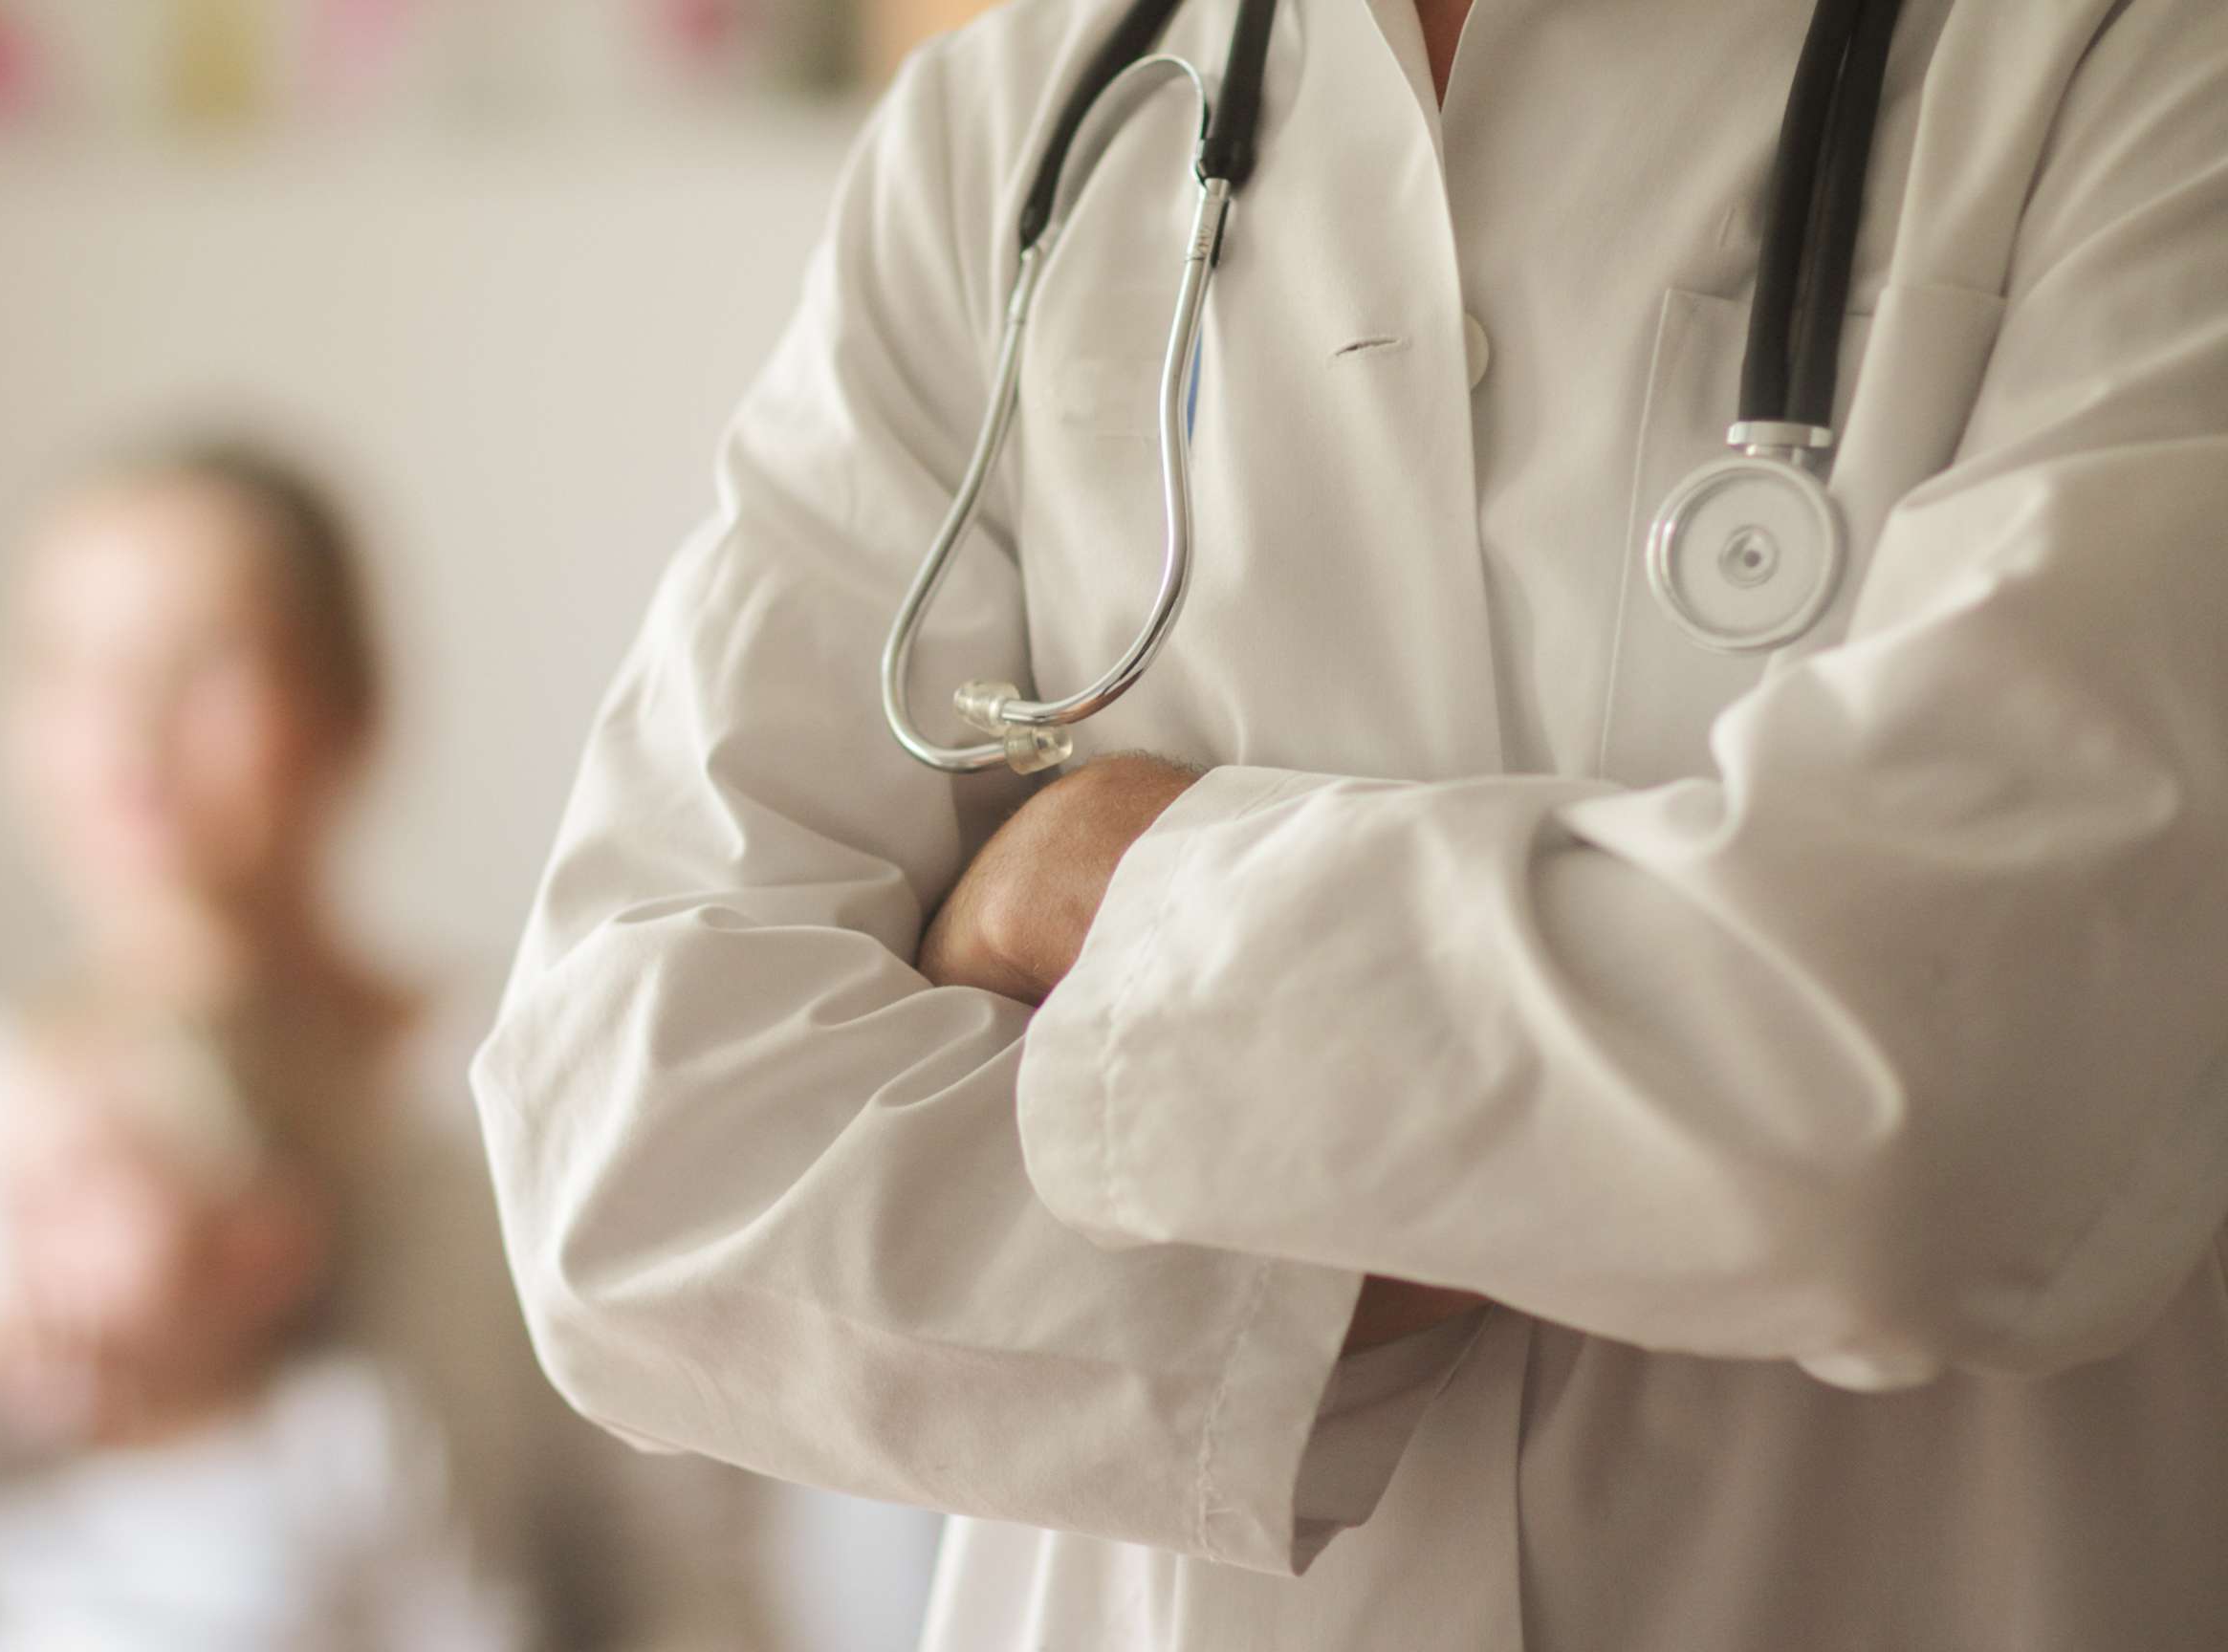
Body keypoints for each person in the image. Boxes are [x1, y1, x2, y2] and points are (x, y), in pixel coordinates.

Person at [470, 0, 2228, 1647]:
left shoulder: (2136, 68)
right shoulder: (1009, 127)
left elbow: (1931, 1097)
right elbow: (632, 1161)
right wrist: (1609, 1127)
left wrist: (1114, 891)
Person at [0, 437, 766, 1651]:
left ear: (352, 702)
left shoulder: (536, 1092)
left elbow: (685, 1589)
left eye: (204, 660)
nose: (126, 731)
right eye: (65, 664)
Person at [0, 991, 531, 1651]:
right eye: (10, 1196)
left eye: (74, 1186)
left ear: (257, 1247)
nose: (20, 1229)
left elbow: (463, 1630)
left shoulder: (346, 1437)